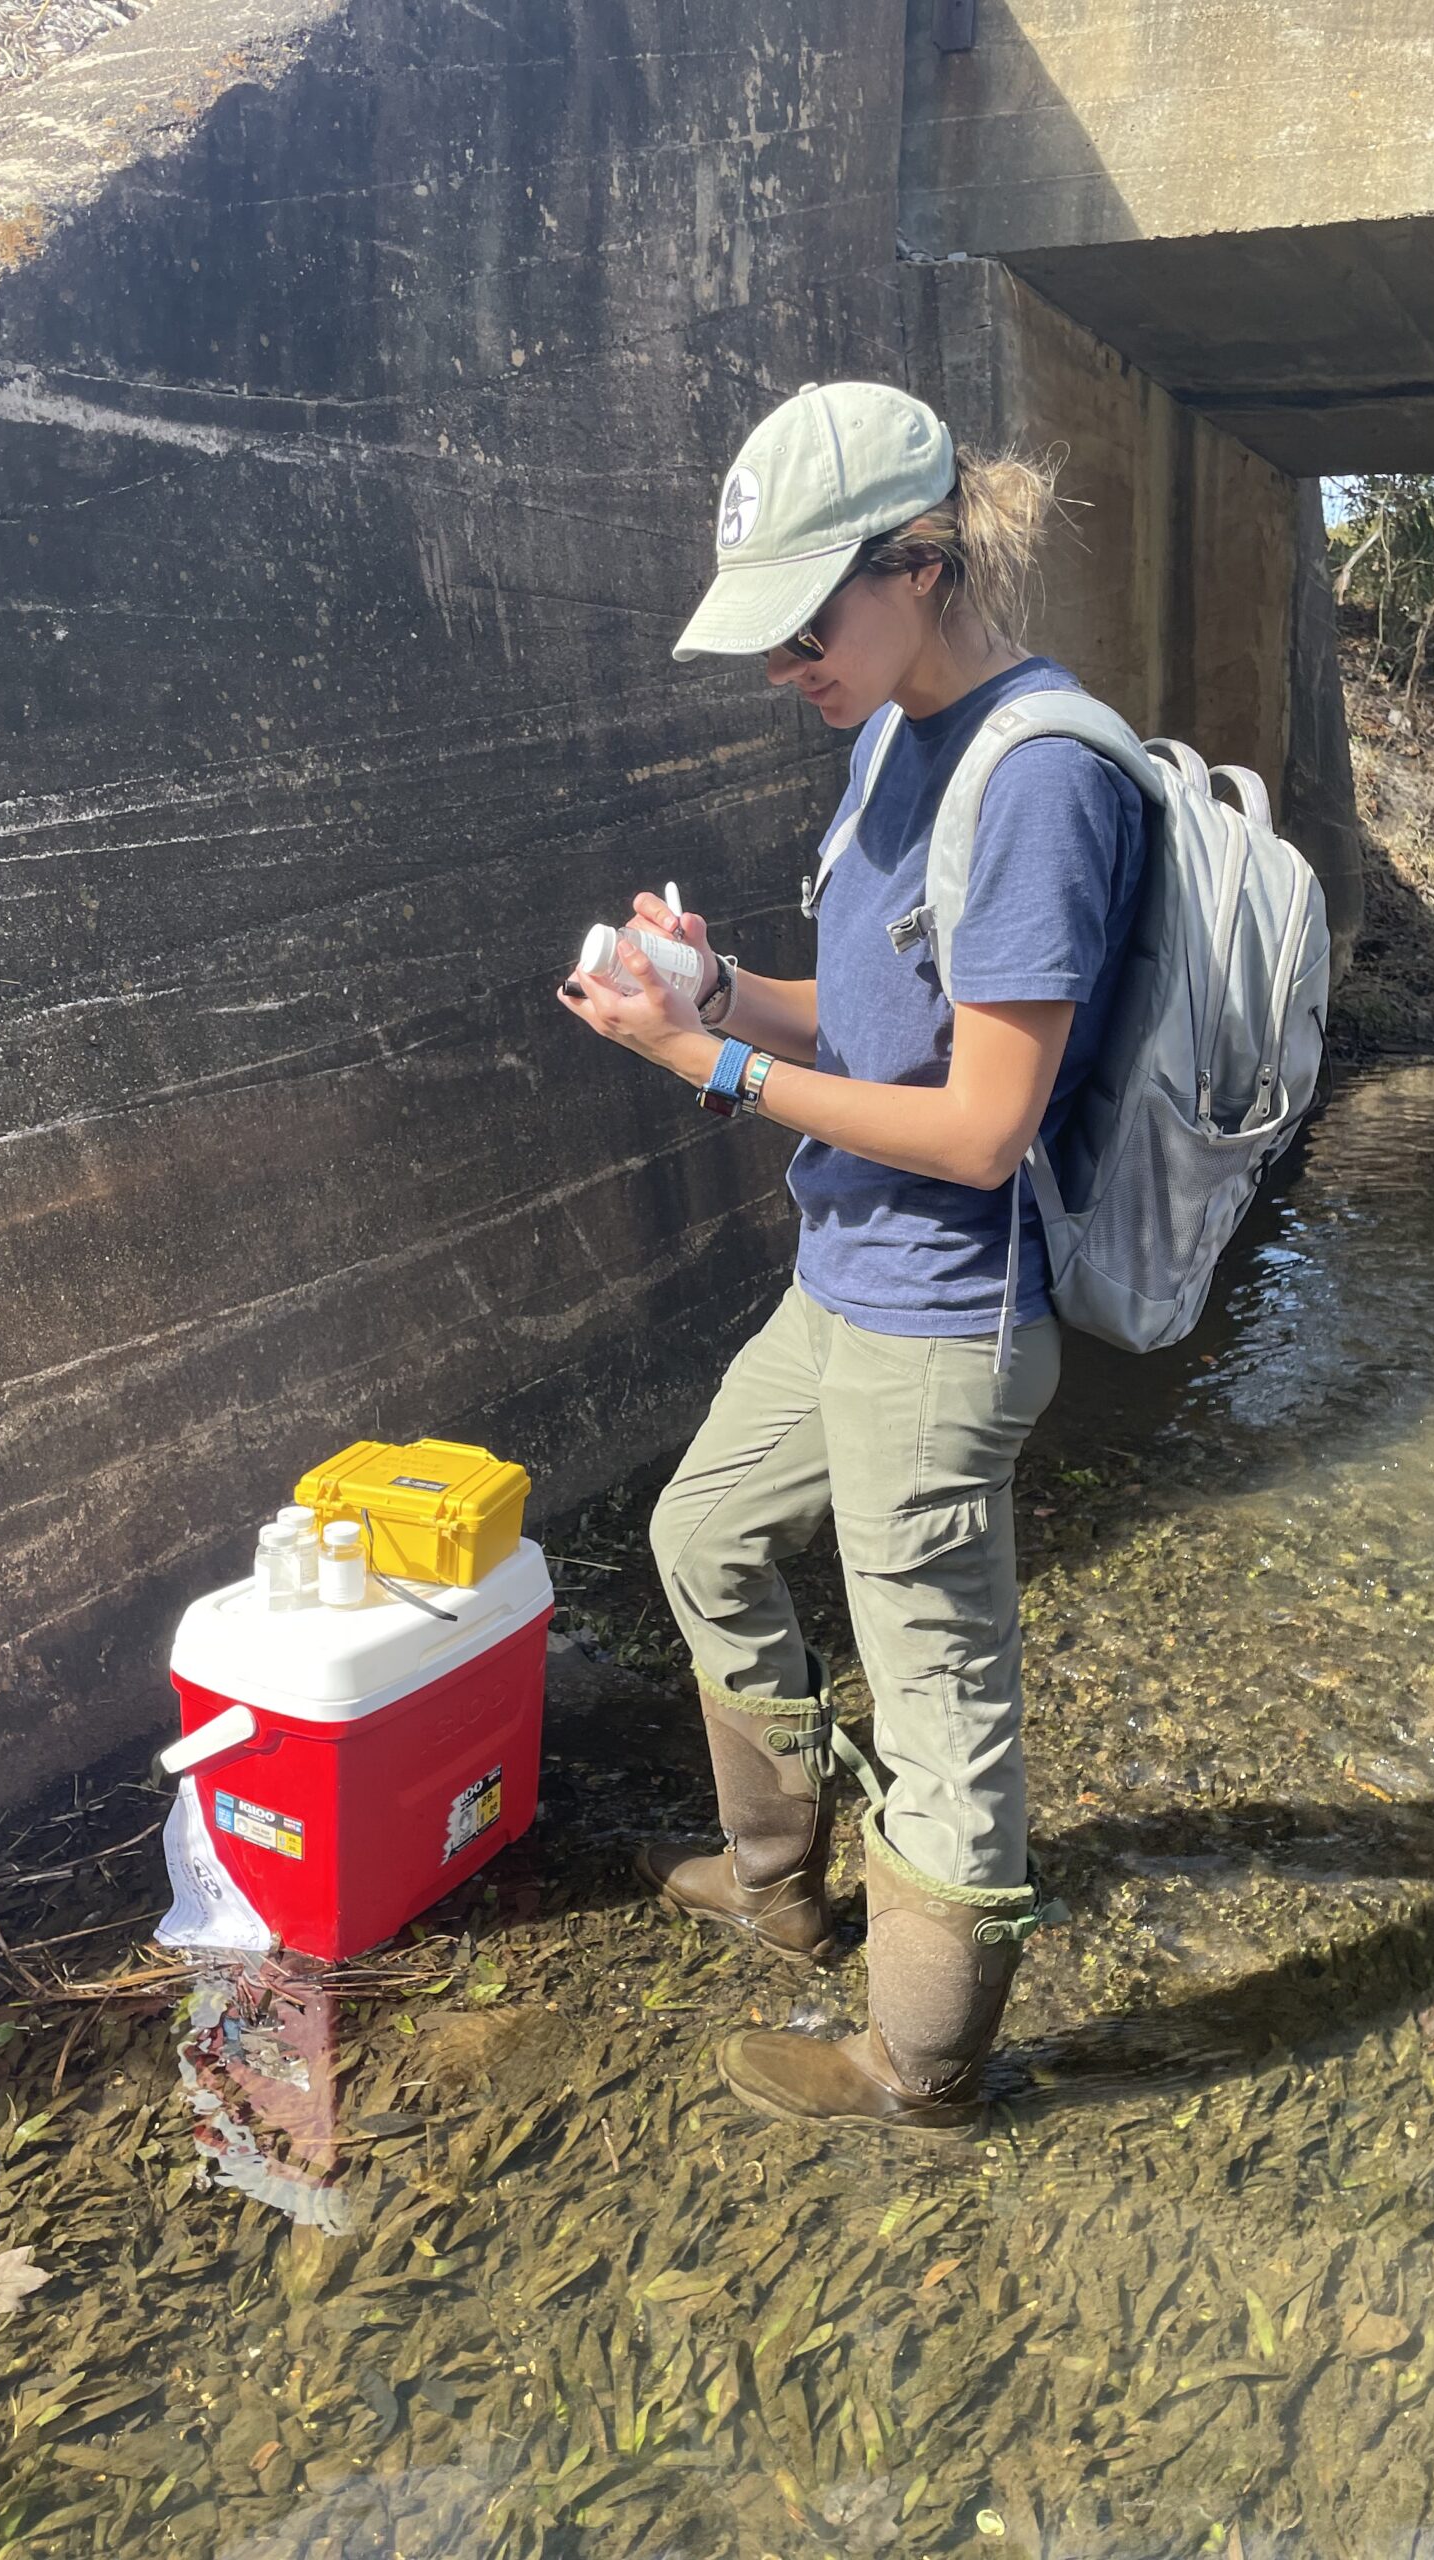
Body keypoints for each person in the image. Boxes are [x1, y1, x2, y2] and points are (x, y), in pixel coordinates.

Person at [557, 381, 1147, 2132]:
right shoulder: (893, 733)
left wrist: (709, 1067)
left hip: (947, 1319)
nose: (782, 666)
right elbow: (883, 1020)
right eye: (769, 635)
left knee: (943, 1702)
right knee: (700, 1533)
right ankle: (777, 1883)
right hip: (845, 1275)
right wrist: (724, 991)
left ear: (925, 565)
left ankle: (925, 2069)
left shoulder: (1039, 781)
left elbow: (982, 1127)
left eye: (806, 624)